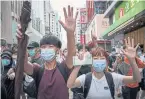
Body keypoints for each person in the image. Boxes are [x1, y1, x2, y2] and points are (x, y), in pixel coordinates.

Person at [16, 5, 78, 99]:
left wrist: (70, 34)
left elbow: (71, 54)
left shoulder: (64, 67)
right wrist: (22, 42)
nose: (46, 49)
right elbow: (24, 64)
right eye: (44, 47)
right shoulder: (38, 69)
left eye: (51, 46)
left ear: (57, 50)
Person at [67, 37, 141, 99]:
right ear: (91, 62)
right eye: (95, 58)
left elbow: (136, 79)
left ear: (106, 61)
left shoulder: (113, 77)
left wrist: (133, 61)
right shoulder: (85, 78)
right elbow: (70, 85)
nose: (99, 61)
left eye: (102, 58)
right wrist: (77, 68)